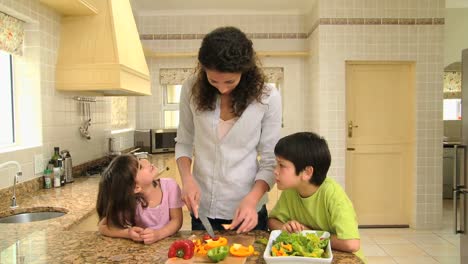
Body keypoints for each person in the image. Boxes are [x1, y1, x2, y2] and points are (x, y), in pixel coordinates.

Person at [176, 26, 282, 233]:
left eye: (230, 81)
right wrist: (187, 180)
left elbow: (270, 160)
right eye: (213, 80)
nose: (222, 88)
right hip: (202, 208)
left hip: (247, 209)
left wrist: (252, 201)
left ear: (245, 70)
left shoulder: (268, 97)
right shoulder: (191, 89)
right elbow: (184, 141)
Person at [268, 132, 365, 262]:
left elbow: (351, 244)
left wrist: (308, 234)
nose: (275, 170)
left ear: (307, 172)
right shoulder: (291, 190)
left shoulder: (333, 195)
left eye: (282, 165)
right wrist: (285, 228)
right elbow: (272, 221)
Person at [96, 154, 183, 244]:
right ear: (136, 188)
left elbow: (177, 220)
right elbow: (103, 227)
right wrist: (128, 233)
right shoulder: (132, 201)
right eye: (140, 167)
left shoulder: (170, 186)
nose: (145, 161)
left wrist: (158, 234)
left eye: (139, 160)